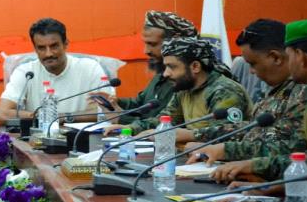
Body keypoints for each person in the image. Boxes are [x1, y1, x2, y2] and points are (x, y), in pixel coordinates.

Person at [211, 18, 307, 183]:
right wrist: (276, 188)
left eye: (289, 55)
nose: (287, 63)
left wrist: (253, 166)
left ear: (300, 57)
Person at [184, 19, 307, 165]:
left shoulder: (304, 92)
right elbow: (250, 130)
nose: (250, 71)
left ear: (275, 57)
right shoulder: (277, 90)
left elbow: (291, 148)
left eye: (253, 63)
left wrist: (225, 151)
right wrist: (197, 136)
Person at [107, 37, 251, 135]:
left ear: (195, 66)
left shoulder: (224, 90)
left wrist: (185, 135)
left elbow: (228, 133)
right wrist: (130, 128)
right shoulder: (184, 89)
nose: (165, 74)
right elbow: (164, 120)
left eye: (172, 67)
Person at [91, 10, 197, 126]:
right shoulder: (162, 73)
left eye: (152, 44)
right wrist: (116, 101)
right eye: (145, 43)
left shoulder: (184, 79)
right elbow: (142, 103)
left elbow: (163, 123)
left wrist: (122, 119)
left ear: (175, 42)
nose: (146, 51)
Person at [0, 18, 109, 125]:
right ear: (35, 49)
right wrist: (42, 116)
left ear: (65, 44)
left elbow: (108, 111)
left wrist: (62, 117)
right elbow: (2, 114)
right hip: (40, 136)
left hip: (83, 135)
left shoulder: (91, 68)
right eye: (41, 48)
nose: (48, 54)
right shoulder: (26, 72)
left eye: (54, 46)